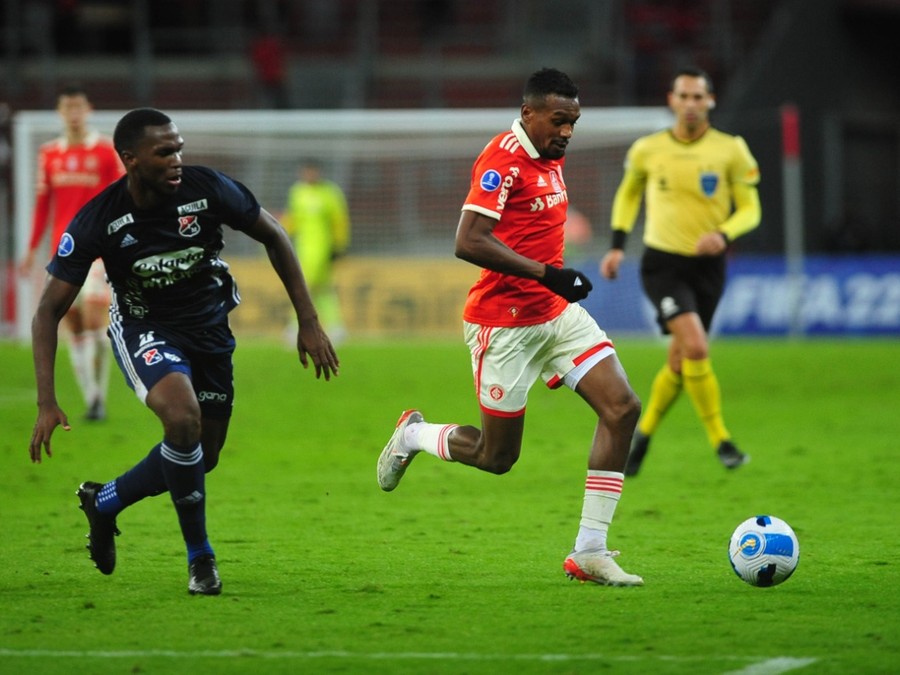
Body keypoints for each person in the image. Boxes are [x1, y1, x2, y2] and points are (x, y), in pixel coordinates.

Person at [28, 108, 339, 595]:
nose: (177, 160)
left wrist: (309, 320)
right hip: (145, 328)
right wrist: (47, 401)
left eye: (179, 149)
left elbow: (275, 236)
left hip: (210, 330)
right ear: (130, 159)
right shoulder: (100, 218)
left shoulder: (208, 188)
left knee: (201, 454)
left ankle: (105, 501)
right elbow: (47, 311)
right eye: (164, 151)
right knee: (182, 418)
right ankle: (201, 561)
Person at [377, 68, 644, 587]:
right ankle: (413, 434)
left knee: (622, 407)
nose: (566, 131)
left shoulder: (550, 158)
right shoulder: (503, 159)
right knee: (497, 458)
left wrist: (553, 283)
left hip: (556, 314)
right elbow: (468, 241)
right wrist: (549, 274)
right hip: (504, 326)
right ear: (529, 114)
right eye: (558, 120)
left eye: (574, 122)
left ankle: (589, 550)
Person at [600, 66, 761, 476]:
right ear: (672, 101)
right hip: (663, 264)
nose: (690, 104)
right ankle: (722, 441)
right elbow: (628, 194)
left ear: (710, 101)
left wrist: (723, 235)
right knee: (698, 347)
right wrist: (617, 246)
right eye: (683, 96)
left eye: (698, 97)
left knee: (679, 359)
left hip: (709, 266)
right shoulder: (647, 150)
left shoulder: (731, 150)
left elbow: (750, 208)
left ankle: (642, 439)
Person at [20, 85, 124, 421]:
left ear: (88, 110)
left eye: (79, 107)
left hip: (98, 250)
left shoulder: (107, 151)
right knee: (74, 326)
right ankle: (93, 398)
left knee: (96, 322)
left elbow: (122, 198)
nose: (74, 114)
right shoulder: (49, 154)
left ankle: (100, 398)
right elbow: (42, 206)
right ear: (60, 112)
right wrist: (31, 249)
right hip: (63, 252)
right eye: (68, 108)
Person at [282, 159, 351, 342]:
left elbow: (339, 220)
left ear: (318, 173)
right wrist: (279, 235)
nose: (309, 175)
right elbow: (293, 219)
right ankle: (336, 327)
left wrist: (340, 245)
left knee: (303, 287)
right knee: (323, 289)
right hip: (302, 249)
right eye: (306, 172)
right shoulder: (297, 192)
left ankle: (294, 327)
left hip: (323, 249)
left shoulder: (330, 193)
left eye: (312, 172)